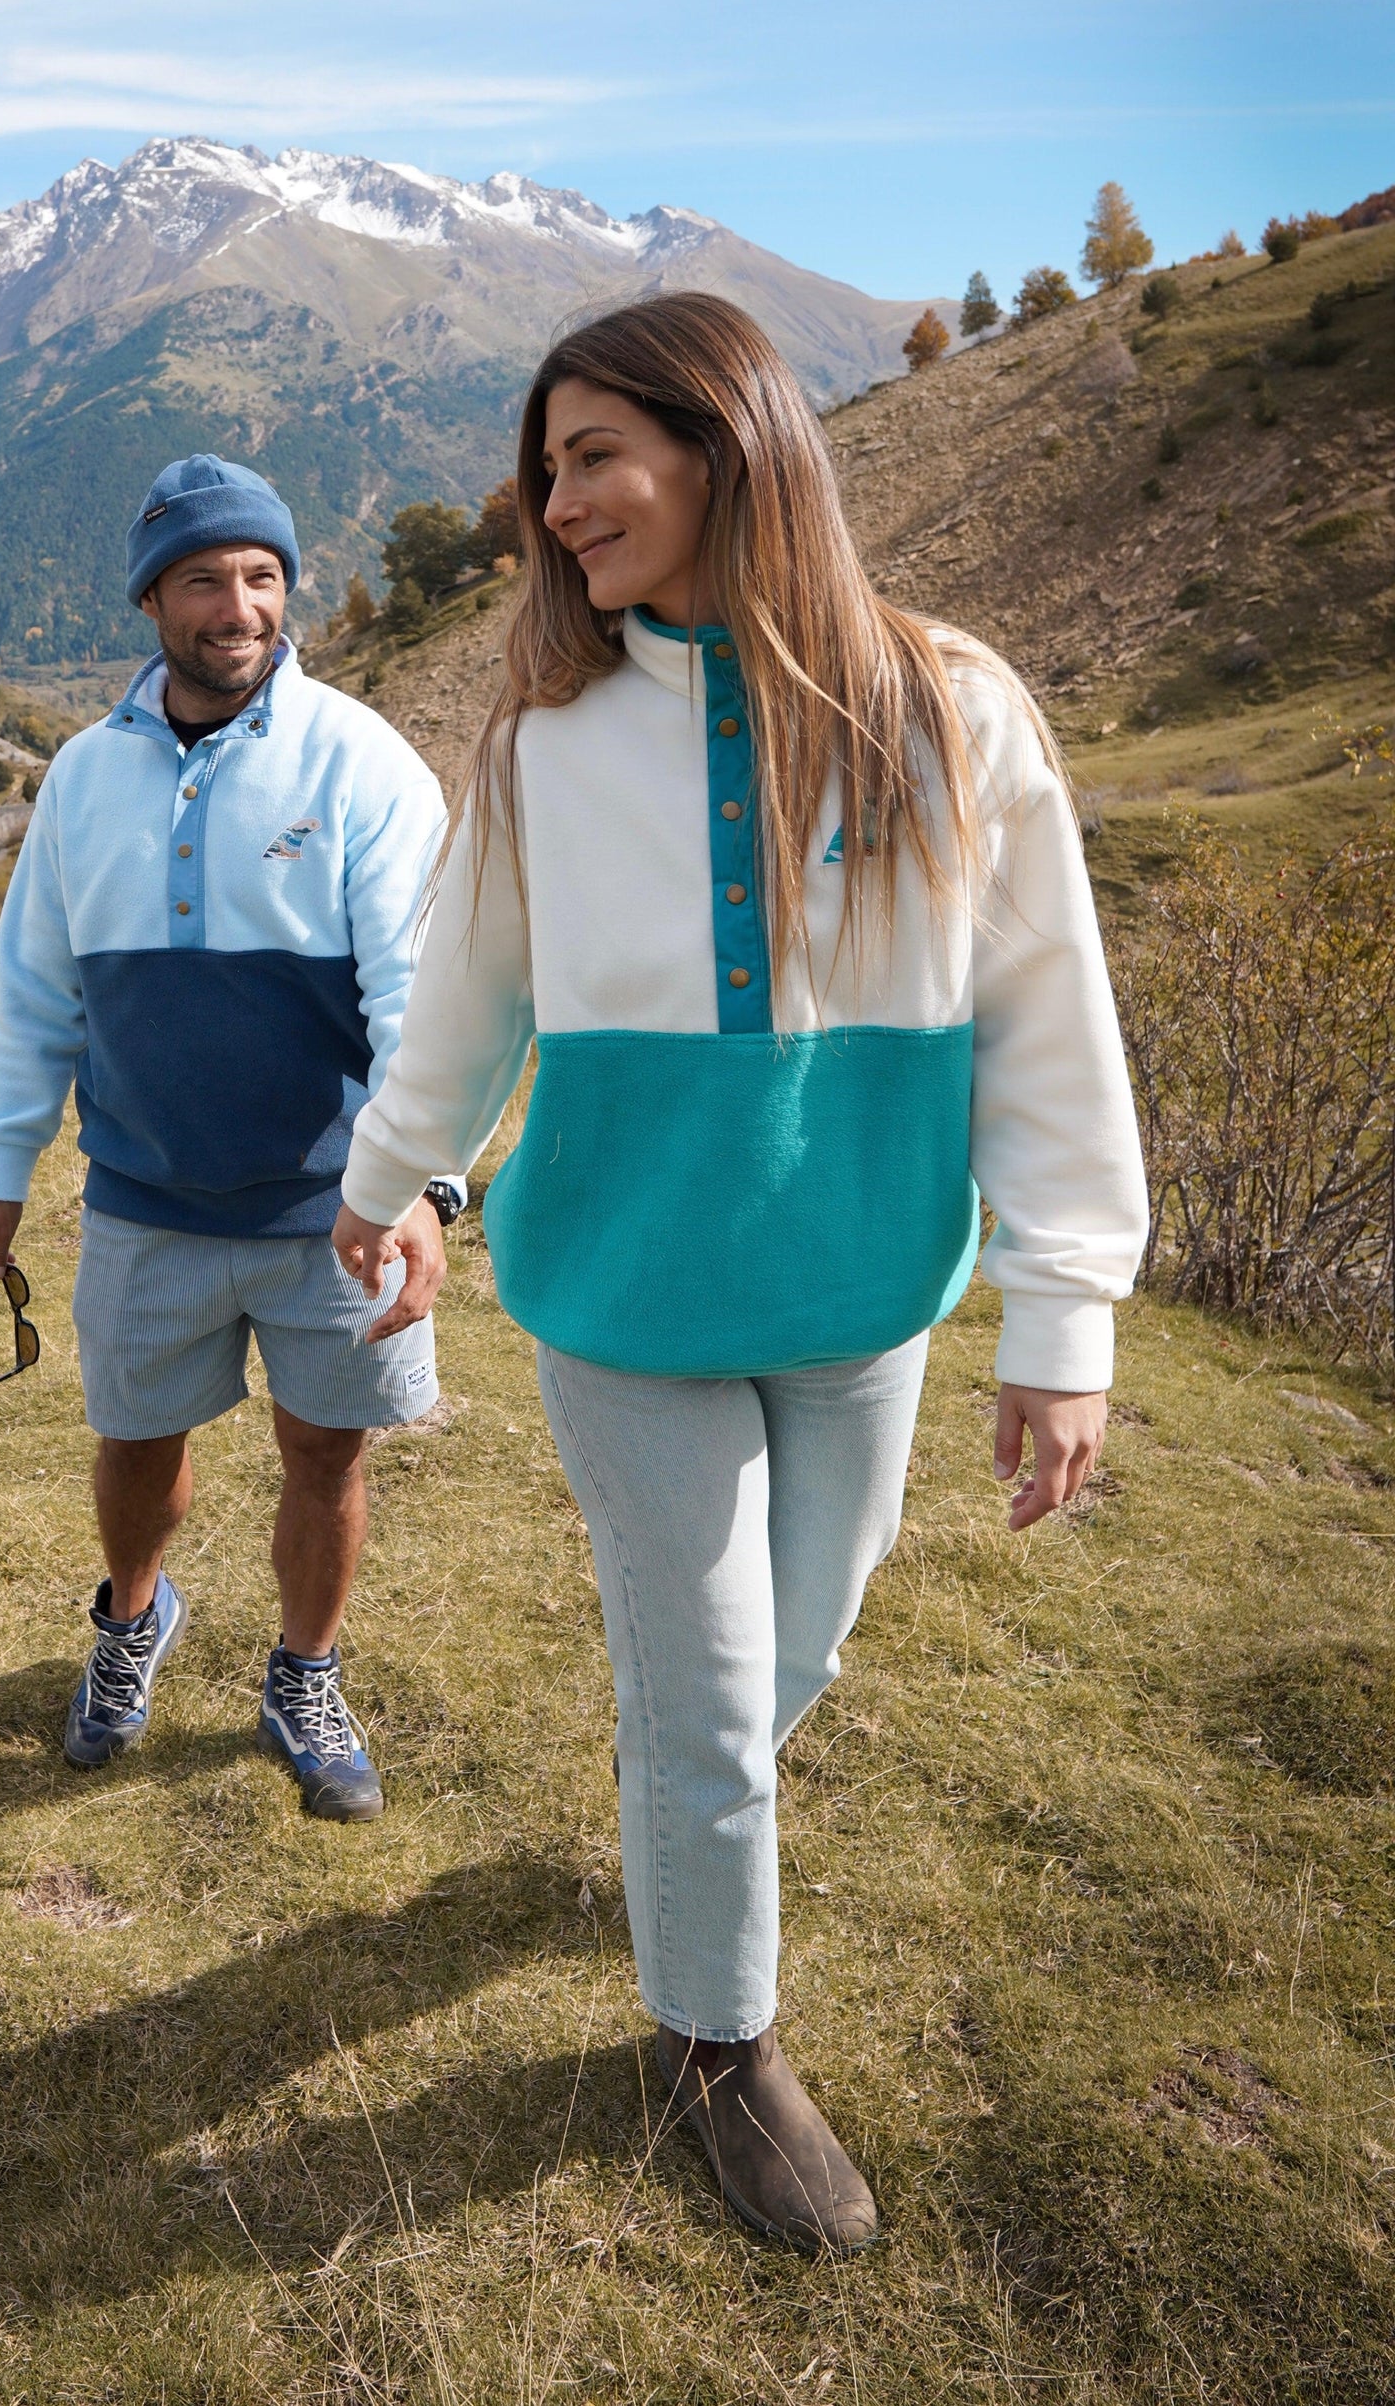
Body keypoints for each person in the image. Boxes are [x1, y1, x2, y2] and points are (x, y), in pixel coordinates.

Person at [332, 295, 1148, 2249]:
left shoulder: (950, 709)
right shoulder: (539, 742)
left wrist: (1064, 1315)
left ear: (732, 444)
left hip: (864, 1290)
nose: (557, 499)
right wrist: (401, 1180)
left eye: (596, 452)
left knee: (803, 1643)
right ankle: (719, 2042)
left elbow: (1046, 1020)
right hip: (618, 1293)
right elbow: (464, 996)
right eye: (545, 467)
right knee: (703, 1696)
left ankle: (682, 1828)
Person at [0, 453, 462, 1821]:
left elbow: (420, 997)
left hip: (333, 1214)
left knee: (327, 1451)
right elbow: (38, 989)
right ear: (152, 599)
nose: (238, 605)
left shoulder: (362, 763)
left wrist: (417, 1187)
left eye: (261, 576)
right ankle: (135, 1614)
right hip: (142, 1201)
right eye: (204, 578)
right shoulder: (81, 779)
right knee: (135, 1446)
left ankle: (305, 1669)